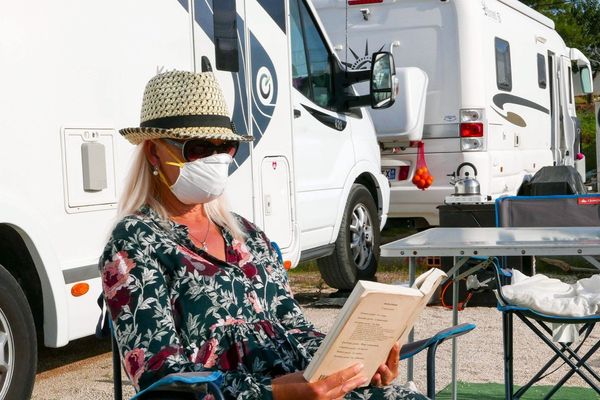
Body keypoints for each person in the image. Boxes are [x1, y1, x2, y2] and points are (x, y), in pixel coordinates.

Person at [100, 69, 429, 400]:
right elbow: (163, 383)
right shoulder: (135, 242)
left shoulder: (246, 234)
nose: (216, 159)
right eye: (198, 148)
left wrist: (356, 364)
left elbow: (295, 328)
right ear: (154, 153)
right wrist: (276, 393)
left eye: (225, 146)